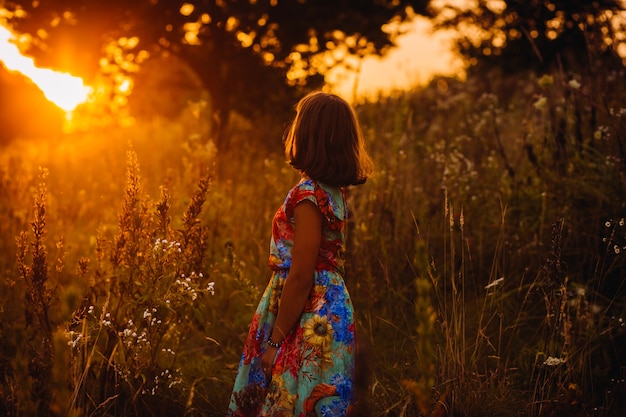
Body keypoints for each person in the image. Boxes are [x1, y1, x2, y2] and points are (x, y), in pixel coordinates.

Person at [227, 91, 374, 416]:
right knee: (314, 400)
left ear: (308, 136)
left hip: (308, 313)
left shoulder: (308, 196)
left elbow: (302, 273)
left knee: (289, 399)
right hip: (331, 307)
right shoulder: (334, 193)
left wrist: (276, 342)